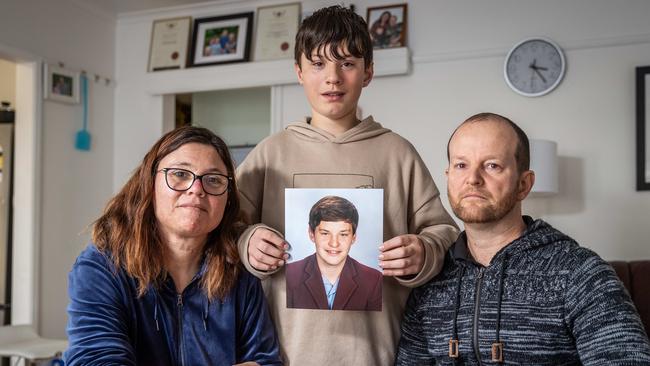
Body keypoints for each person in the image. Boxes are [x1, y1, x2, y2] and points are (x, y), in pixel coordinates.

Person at [236, 5, 459, 365]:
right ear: (299, 72)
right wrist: (247, 242)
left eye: (348, 64)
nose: (333, 78)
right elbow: (221, 227)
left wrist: (422, 251)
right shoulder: (269, 153)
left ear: (368, 72)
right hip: (283, 354)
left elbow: (445, 231)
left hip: (376, 352)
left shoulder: (397, 153)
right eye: (318, 64)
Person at [395, 113, 650, 365]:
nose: (473, 179)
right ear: (448, 176)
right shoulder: (431, 279)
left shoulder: (580, 272)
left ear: (523, 184)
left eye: (492, 165)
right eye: (461, 165)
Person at [65, 127, 281, 366]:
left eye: (213, 180)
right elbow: (98, 361)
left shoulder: (239, 272)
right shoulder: (102, 268)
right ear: (149, 183)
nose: (196, 189)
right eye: (180, 174)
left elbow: (264, 361)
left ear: (227, 198)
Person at [286, 196, 382, 311]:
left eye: (343, 234)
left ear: (353, 238)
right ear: (312, 234)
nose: (334, 243)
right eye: (325, 233)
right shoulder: (290, 275)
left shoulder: (373, 280)